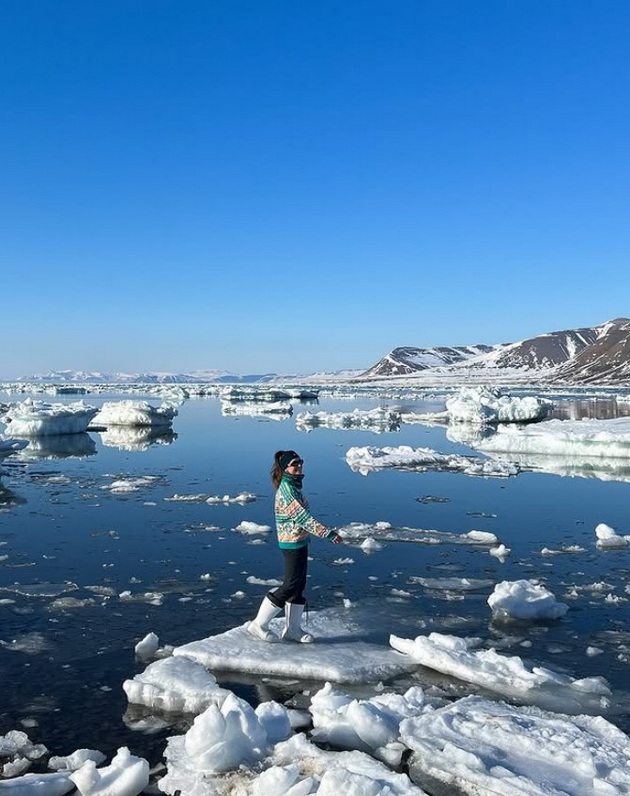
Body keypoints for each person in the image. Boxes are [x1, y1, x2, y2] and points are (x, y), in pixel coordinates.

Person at [248, 449, 343, 643]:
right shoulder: (287, 490)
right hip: (290, 542)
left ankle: (293, 630)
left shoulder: (293, 486)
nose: (299, 466)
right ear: (285, 468)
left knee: (299, 585)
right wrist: (328, 534)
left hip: (299, 540)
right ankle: (258, 624)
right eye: (294, 464)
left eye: (300, 462)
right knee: (290, 585)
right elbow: (302, 518)